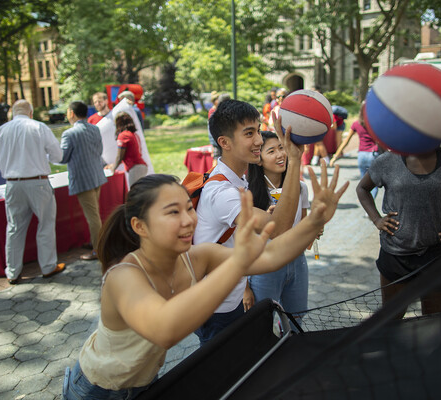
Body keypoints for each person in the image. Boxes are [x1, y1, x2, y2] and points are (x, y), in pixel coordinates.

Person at [62, 165, 347, 399]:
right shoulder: (123, 276)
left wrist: (314, 222)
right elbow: (165, 329)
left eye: (189, 208)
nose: (189, 220)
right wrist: (238, 263)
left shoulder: (198, 257)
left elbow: (271, 255)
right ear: (140, 226)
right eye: (173, 212)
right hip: (94, 390)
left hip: (144, 384)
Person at [193, 99, 304, 346]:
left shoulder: (236, 181)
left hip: (227, 298)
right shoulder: (222, 192)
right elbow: (279, 229)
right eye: (249, 133)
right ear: (224, 143)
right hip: (217, 307)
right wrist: (294, 161)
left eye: (258, 130)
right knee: (223, 375)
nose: (259, 141)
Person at [356, 147, 441, 318]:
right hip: (396, 254)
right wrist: (377, 219)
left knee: (434, 320)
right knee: (390, 319)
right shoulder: (387, 161)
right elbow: (362, 188)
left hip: (439, 256)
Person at [0, 99, 66, 284]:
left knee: (14, 228)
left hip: (13, 183)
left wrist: (10, 163)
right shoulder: (39, 127)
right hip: (38, 182)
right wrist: (41, 157)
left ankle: (13, 272)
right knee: (45, 224)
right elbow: (58, 155)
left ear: (13, 113)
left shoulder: (0, 132)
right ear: (31, 112)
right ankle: (47, 267)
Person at [247, 131, 313, 321]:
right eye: (271, 151)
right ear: (258, 160)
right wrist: (244, 288)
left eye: (282, 148)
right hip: (263, 266)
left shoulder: (300, 187)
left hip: (297, 262)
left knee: (296, 320)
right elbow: (240, 243)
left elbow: (302, 226)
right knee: (262, 323)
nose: (280, 154)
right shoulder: (248, 193)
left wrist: (313, 228)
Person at [60, 101, 108, 260]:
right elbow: (99, 151)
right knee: (95, 213)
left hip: (83, 179)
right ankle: (96, 242)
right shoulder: (94, 129)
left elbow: (63, 157)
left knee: (93, 216)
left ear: (71, 113)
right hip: (96, 176)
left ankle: (98, 249)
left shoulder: (70, 134)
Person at [330, 101, 380, 197]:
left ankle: (367, 208)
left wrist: (335, 156)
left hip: (361, 155)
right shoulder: (375, 123)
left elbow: (346, 141)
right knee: (374, 185)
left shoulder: (356, 124)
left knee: (364, 185)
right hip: (374, 154)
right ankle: (370, 208)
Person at [106, 112, 147, 187]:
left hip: (135, 168)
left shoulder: (123, 135)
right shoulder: (133, 134)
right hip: (141, 166)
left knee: (134, 194)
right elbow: (129, 154)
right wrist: (113, 165)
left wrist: (112, 169)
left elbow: (120, 156)